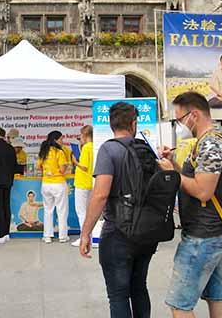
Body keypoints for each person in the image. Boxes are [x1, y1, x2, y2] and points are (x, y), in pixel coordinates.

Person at [79, 102, 158, 318]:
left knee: (118, 294)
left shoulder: (108, 149)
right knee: (139, 287)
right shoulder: (146, 149)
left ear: (111, 124)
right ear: (134, 124)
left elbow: (101, 194)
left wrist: (86, 232)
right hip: (147, 231)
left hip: (118, 232)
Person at [158, 91, 222, 318]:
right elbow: (198, 180)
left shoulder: (210, 144)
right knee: (216, 296)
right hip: (213, 233)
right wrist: (174, 165)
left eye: (179, 119)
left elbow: (203, 191)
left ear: (195, 115)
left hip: (202, 237)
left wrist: (174, 175)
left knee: (179, 304)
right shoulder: (210, 141)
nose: (179, 125)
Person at [37, 130, 70, 243]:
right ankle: (62, 236)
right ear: (56, 140)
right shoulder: (59, 152)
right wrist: (65, 167)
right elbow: (62, 169)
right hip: (58, 183)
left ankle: (47, 236)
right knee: (61, 210)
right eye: (61, 139)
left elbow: (39, 167)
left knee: (48, 210)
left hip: (46, 184)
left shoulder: (44, 151)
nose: (62, 141)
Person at [71, 125, 94, 247]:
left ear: (85, 135)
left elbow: (84, 166)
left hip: (82, 183)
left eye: (80, 135)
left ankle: (84, 237)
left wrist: (75, 161)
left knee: (81, 212)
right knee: (89, 211)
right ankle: (89, 235)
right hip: (91, 182)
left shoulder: (86, 148)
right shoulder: (94, 147)